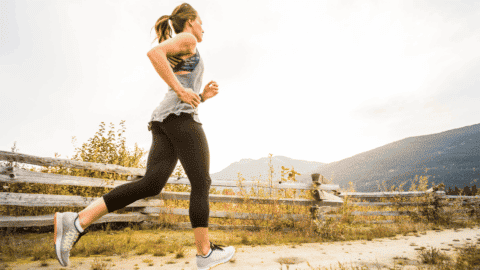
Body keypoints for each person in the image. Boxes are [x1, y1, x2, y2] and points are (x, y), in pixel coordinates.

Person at [53, 3, 235, 269]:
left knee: (151, 184)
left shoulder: (185, 44)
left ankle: (77, 221)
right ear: (191, 22)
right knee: (201, 181)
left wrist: (200, 97)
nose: (203, 28)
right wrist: (182, 91)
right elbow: (154, 53)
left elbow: (180, 85)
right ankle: (205, 253)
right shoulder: (188, 38)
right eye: (201, 22)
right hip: (178, 118)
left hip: (165, 119)